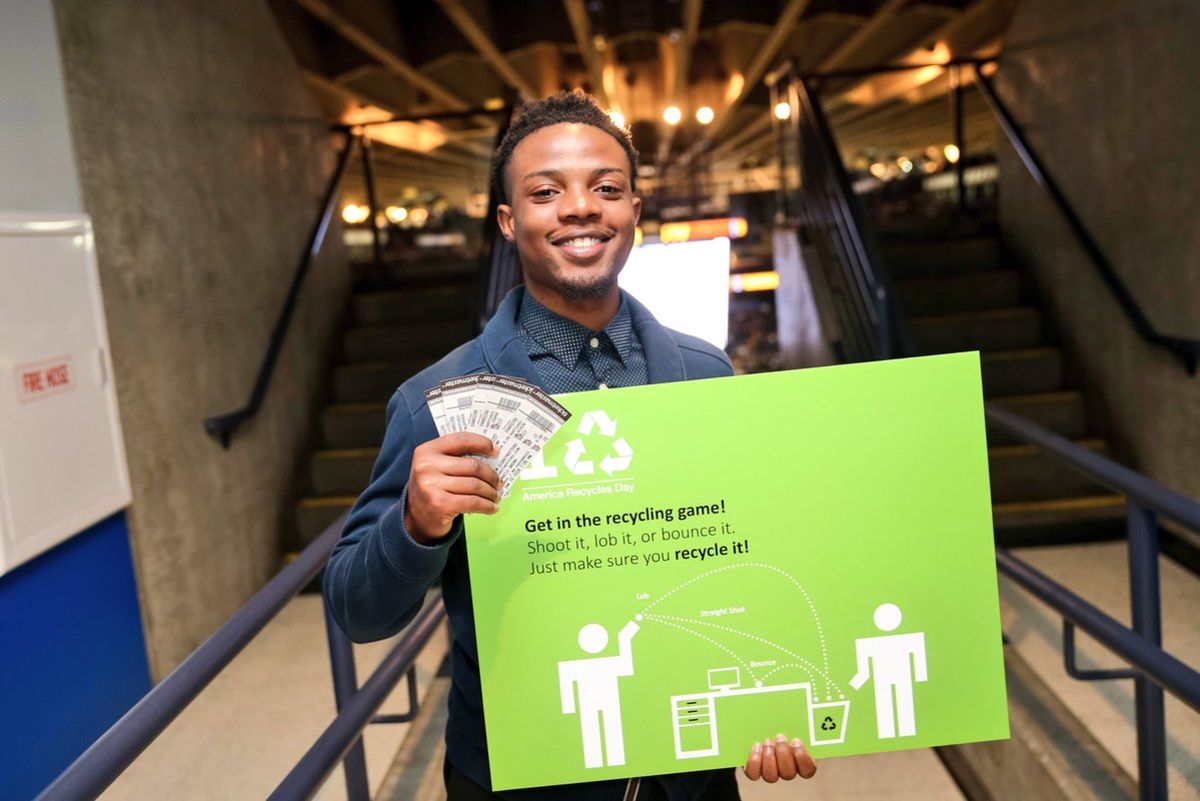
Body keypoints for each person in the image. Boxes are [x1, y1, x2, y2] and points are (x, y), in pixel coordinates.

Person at [323, 91, 817, 800]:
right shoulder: (434, 402)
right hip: (523, 777)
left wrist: (772, 707)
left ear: (635, 214)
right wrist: (414, 524)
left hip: (691, 774)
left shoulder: (708, 374)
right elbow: (355, 609)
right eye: (546, 191)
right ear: (509, 220)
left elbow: (749, 561)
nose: (581, 207)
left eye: (607, 188)